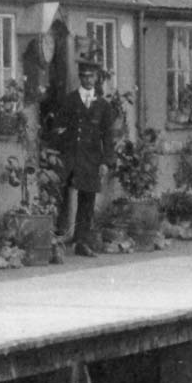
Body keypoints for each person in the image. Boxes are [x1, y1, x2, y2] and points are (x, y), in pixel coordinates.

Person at [53, 58, 115, 256]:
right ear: (80, 77)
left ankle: (82, 241)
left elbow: (108, 136)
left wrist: (106, 161)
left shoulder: (103, 106)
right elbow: (57, 127)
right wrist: (60, 146)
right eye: (84, 76)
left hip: (91, 158)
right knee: (58, 195)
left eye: (91, 76)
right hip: (70, 156)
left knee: (87, 200)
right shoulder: (70, 100)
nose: (88, 80)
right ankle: (55, 241)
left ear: (97, 78)